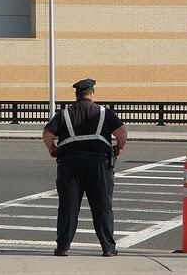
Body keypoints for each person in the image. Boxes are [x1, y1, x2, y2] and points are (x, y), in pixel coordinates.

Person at [42, 78, 127, 257]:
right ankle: (108, 248)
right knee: (102, 207)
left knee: (68, 207)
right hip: (98, 165)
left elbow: (47, 133)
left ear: (76, 95)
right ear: (92, 94)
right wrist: (118, 149)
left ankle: (63, 247)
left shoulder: (64, 114)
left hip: (70, 165)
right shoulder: (105, 113)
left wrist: (52, 149)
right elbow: (121, 132)